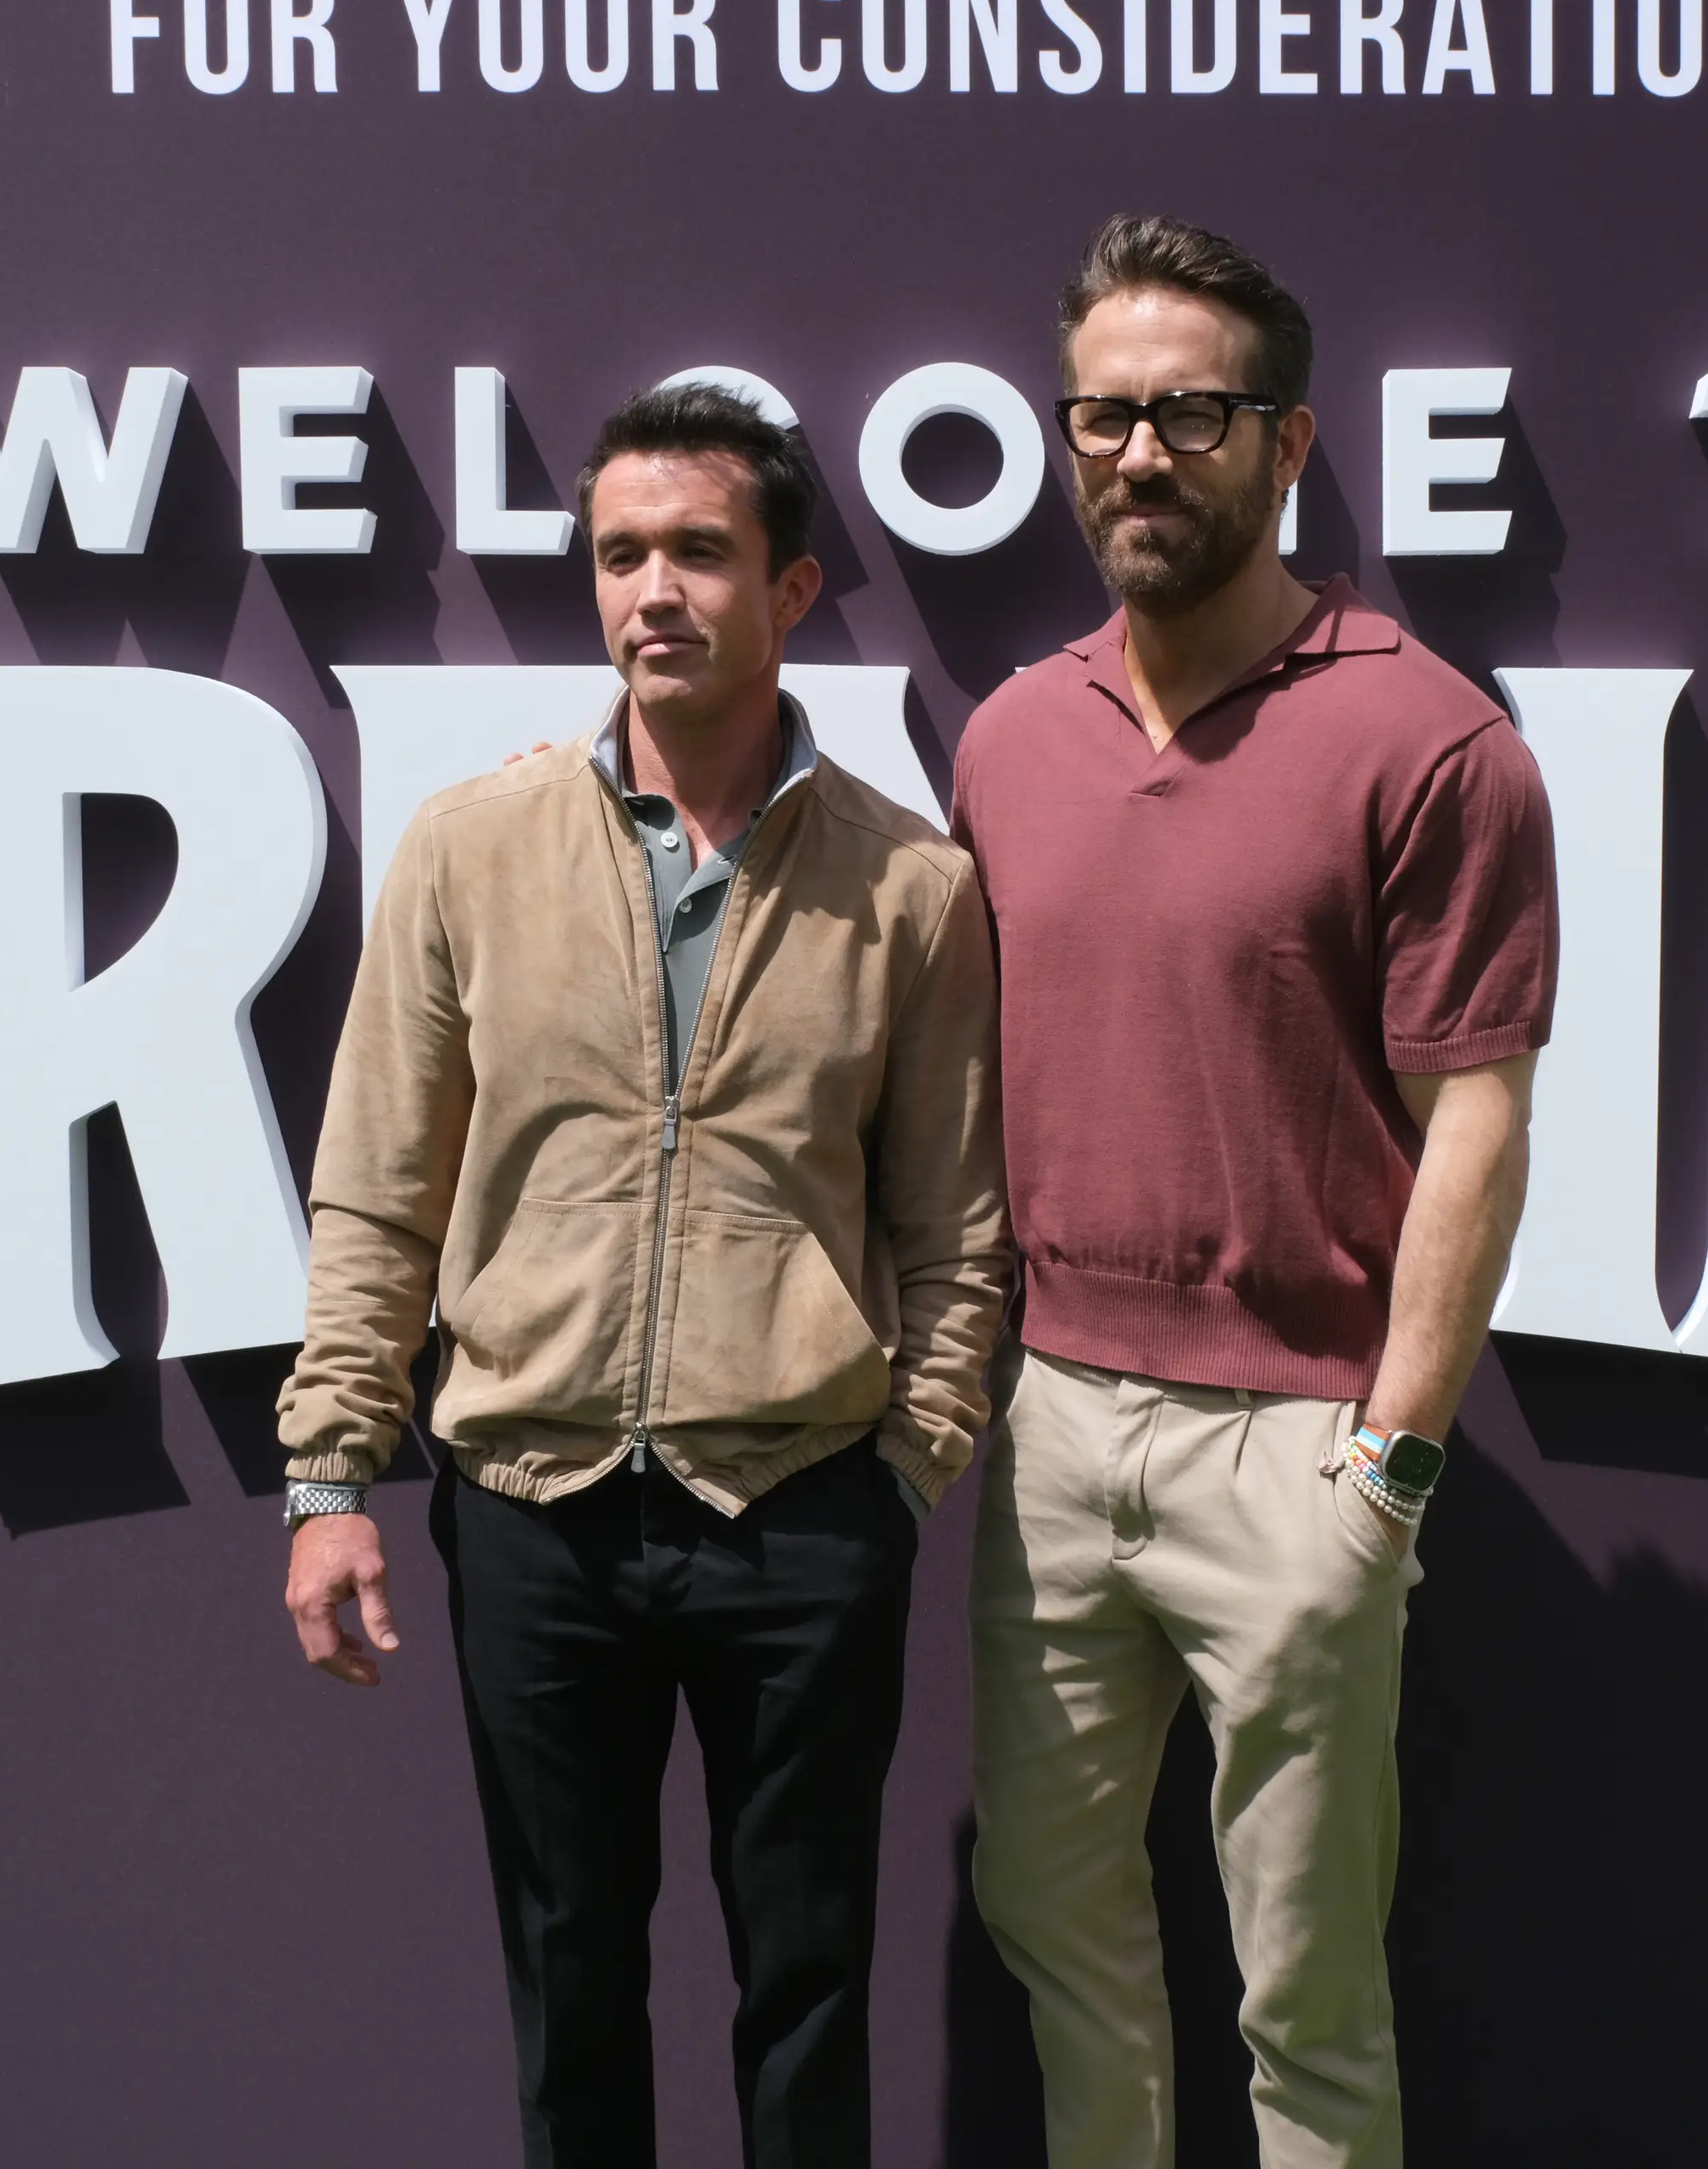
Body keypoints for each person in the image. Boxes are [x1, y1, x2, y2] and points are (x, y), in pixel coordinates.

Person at [274, 382, 1010, 2169]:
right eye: (620, 554)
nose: (652, 589)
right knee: (570, 1971)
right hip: (532, 1503)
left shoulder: (910, 887)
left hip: (804, 1509)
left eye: (697, 549)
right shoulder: (472, 846)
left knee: (808, 1986)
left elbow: (959, 1230)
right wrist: (330, 1477)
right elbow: (380, 1186)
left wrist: (903, 1469)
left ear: (797, 587)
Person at [951, 215, 1558, 2169]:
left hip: (1295, 1444)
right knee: (1055, 1922)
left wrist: (1390, 1463)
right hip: (1052, 1435)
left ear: (1289, 444)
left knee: (1302, 1986)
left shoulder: (1431, 738)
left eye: (1190, 417)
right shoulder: (1010, 736)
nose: (1140, 456)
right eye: (1105, 417)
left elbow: (1479, 1115)